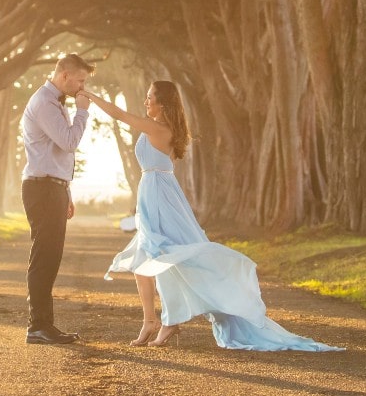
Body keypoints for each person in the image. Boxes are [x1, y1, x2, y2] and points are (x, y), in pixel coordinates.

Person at [82, 81, 342, 352]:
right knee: (148, 258)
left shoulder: (159, 129)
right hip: (155, 193)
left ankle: (163, 321)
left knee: (158, 256)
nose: (146, 102)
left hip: (159, 196)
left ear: (163, 104)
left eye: (150, 98)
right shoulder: (159, 127)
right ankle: (154, 320)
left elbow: (120, 115)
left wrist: (92, 97)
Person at [20, 53, 95, 344]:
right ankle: (38, 325)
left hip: (53, 188)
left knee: (50, 258)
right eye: (80, 80)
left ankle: (43, 325)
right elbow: (69, 141)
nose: (82, 86)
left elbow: (58, 154)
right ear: (64, 75)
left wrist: (67, 191)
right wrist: (83, 111)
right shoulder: (44, 103)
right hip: (42, 189)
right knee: (44, 258)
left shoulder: (53, 102)